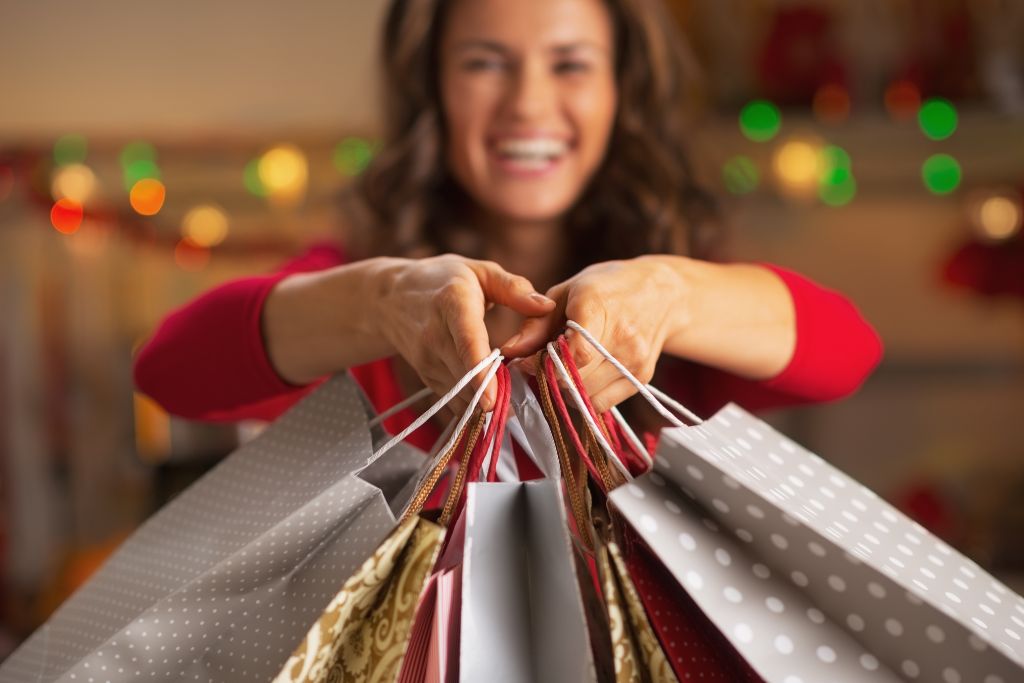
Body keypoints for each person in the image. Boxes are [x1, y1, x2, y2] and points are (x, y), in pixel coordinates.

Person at [133, 0, 882, 455]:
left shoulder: (674, 304)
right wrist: (380, 299)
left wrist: (671, 293)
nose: (528, 103)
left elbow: (848, 350)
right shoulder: (356, 286)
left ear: (622, 90)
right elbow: (169, 368)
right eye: (485, 63)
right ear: (434, 89)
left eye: (571, 64)